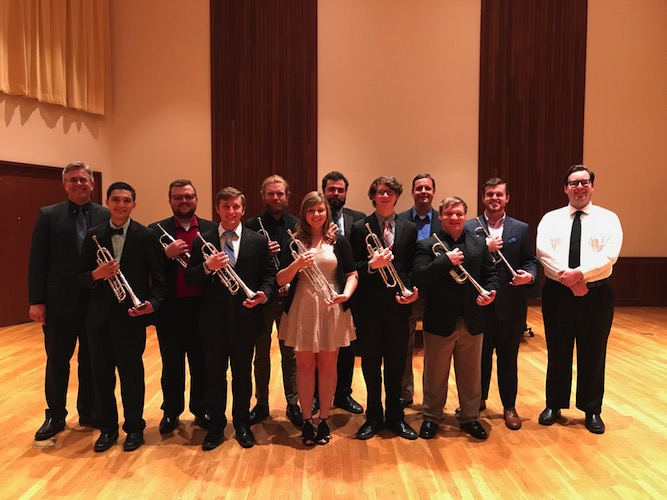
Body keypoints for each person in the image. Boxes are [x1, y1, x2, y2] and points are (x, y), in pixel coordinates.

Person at [78, 182, 166, 452]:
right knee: (101, 376)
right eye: (115, 200)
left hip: (131, 316)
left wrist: (152, 303)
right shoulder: (94, 236)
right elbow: (79, 277)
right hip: (99, 320)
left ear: (133, 204)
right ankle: (107, 428)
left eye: (126, 200)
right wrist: (96, 274)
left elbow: (160, 279)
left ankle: (134, 428)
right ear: (107, 202)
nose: (121, 205)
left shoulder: (146, 235)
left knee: (132, 376)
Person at [186, 187, 276, 450]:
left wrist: (264, 294)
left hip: (245, 319)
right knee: (214, 376)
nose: (231, 211)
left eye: (236, 206)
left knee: (242, 376)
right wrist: (206, 267)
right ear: (217, 209)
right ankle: (215, 427)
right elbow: (191, 277)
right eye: (225, 206)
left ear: (243, 210)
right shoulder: (202, 240)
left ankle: (241, 424)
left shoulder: (256, 240)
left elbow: (269, 276)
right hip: (212, 322)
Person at [536, 165, 622, 434]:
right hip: (558, 294)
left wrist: (580, 275)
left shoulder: (609, 219)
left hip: (596, 293)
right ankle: (554, 404)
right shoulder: (551, 218)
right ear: (565, 188)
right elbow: (543, 253)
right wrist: (571, 281)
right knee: (558, 349)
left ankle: (592, 409)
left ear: (592, 186)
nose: (580, 187)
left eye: (585, 182)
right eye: (574, 183)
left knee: (594, 352)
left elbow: (610, 255)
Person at [28, 161, 110, 440]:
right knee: (57, 361)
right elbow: (37, 261)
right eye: (73, 180)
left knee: (91, 359)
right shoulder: (48, 215)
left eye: (83, 179)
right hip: (59, 303)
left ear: (92, 184)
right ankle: (55, 415)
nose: (78, 184)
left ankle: (88, 411)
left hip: (94, 301)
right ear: (65, 185)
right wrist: (37, 301)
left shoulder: (105, 214)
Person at [413, 196, 499, 440]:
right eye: (449, 213)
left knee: (471, 374)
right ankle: (431, 417)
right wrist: (444, 261)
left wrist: (491, 293)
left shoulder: (478, 244)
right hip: (440, 320)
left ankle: (470, 417)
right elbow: (420, 276)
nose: (454, 217)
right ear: (440, 216)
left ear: (465, 216)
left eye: (459, 213)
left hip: (473, 319)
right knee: (435, 375)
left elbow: (491, 275)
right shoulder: (427, 245)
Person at [277, 191, 358, 445]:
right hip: (302, 308)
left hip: (331, 307)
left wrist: (345, 295)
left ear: (327, 213)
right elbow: (280, 279)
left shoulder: (339, 241)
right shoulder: (293, 241)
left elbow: (353, 274)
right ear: (304, 214)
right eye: (311, 211)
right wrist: (296, 265)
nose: (316, 215)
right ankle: (306, 420)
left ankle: (324, 419)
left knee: (327, 366)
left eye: (320, 210)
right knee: (304, 366)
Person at [463, 178, 537, 430]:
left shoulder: (521, 228)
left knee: (508, 359)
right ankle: (478, 401)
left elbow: (530, 261)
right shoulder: (469, 226)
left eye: (499, 195)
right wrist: (484, 246)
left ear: (507, 198)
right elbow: (464, 260)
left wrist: (529, 275)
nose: (494, 198)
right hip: (480, 304)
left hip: (511, 305)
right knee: (479, 358)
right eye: (489, 194)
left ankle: (509, 406)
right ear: (483, 198)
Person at [349, 176, 420, 441]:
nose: (385, 196)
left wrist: (413, 291)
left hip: (399, 308)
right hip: (369, 310)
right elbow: (352, 268)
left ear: (397, 196)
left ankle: (395, 417)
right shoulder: (360, 227)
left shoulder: (409, 229)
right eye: (380, 192)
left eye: (390, 192)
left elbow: (413, 267)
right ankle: (373, 417)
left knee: (396, 365)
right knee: (370, 365)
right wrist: (370, 265)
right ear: (373, 196)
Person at [148, 179, 218, 434]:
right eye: (178, 197)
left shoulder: (211, 228)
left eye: (188, 196)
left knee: (202, 362)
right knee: (172, 363)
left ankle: (202, 409)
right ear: (170, 201)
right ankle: (171, 411)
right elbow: (149, 267)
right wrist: (165, 254)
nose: (184, 201)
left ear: (196, 200)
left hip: (203, 306)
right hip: (171, 309)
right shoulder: (155, 230)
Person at [244, 175, 302, 427]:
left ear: (287, 196)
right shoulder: (251, 225)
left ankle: (292, 403)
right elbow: (244, 264)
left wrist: (289, 283)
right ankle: (262, 404)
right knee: (261, 356)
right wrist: (260, 251)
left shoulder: (300, 225)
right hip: (263, 299)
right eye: (271, 194)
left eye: (280, 194)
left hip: (291, 299)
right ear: (263, 195)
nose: (276, 198)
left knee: (291, 356)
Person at [317, 171, 365, 415]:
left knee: (346, 345)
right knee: (318, 343)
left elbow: (360, 258)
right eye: (331, 189)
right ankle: (316, 395)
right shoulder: (311, 218)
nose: (335, 194)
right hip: (317, 290)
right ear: (323, 191)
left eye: (340, 190)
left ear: (345, 192)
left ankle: (343, 394)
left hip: (349, 289)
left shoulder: (358, 219)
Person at [397, 173, 441, 408]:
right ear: (412, 192)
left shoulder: (444, 220)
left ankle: (432, 398)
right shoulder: (400, 220)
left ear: (433, 192)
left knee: (435, 349)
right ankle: (405, 394)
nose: (423, 192)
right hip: (409, 291)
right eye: (419, 188)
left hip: (437, 293)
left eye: (427, 188)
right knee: (405, 345)